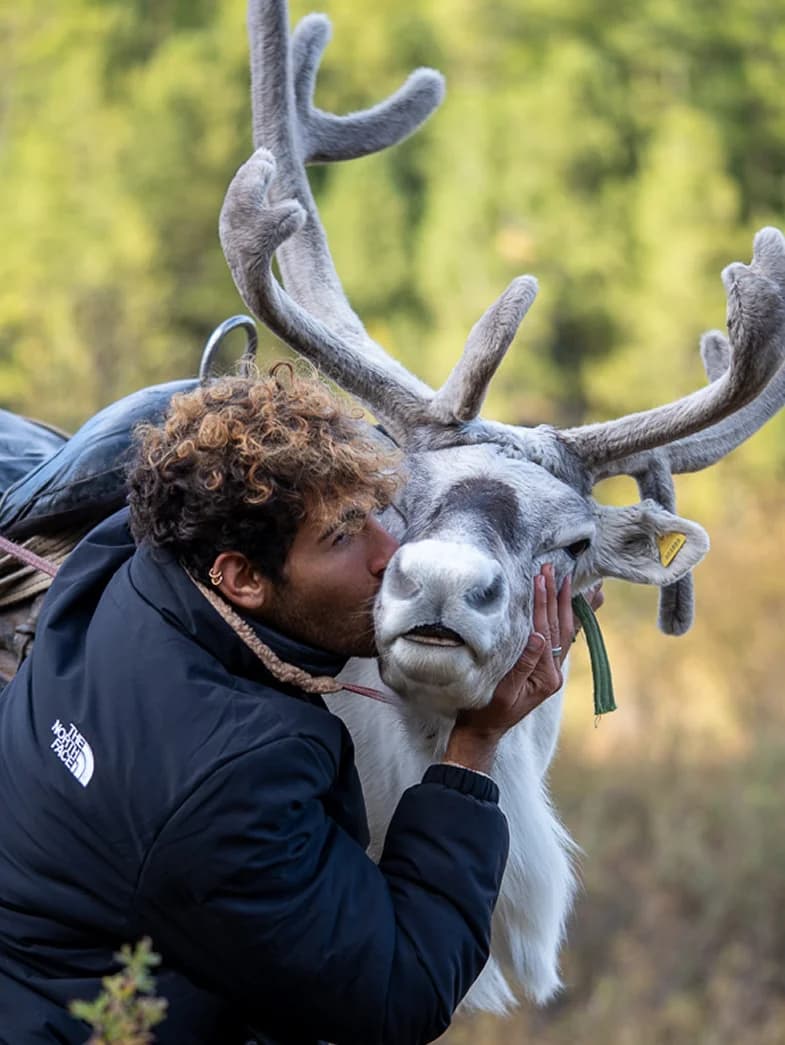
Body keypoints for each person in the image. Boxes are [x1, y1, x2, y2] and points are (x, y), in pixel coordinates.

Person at [0, 366, 587, 1045]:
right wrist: (473, 745)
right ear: (242, 577)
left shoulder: (117, 559)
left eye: (381, 513)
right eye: (342, 536)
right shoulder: (232, 777)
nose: (391, 554)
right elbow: (399, 993)